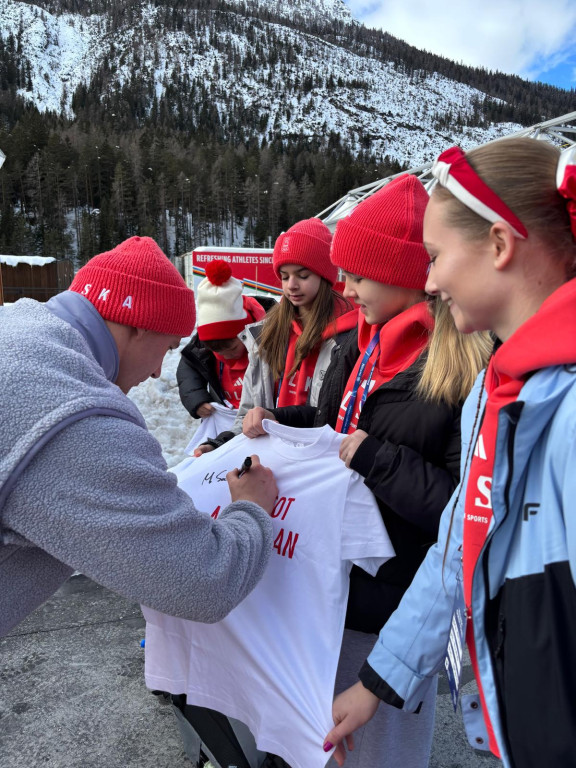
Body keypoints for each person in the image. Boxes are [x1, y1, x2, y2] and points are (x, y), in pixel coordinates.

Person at [323, 138, 576, 768]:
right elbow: (459, 546)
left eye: (435, 258)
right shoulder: (496, 393)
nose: (429, 280)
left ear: (498, 243)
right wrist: (379, 682)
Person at [243, 175, 493, 768]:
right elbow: (340, 426)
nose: (345, 289)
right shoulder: (366, 348)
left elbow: (464, 512)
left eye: (357, 275)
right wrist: (279, 419)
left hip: (394, 613)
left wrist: (378, 461)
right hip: (332, 593)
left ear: (405, 275)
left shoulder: (460, 374)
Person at [0, 235, 278, 638]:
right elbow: (203, 581)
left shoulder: (18, 329)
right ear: (135, 326)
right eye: (166, 348)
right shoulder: (74, 418)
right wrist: (251, 509)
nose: (154, 374)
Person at [194, 217, 357, 454]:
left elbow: (334, 419)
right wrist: (220, 444)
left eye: (302, 276)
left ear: (324, 276)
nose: (291, 285)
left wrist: (275, 418)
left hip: (318, 462)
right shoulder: (267, 334)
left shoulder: (347, 339)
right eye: (284, 276)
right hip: (273, 459)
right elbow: (249, 412)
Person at [176, 259, 274, 418]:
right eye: (218, 352)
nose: (227, 356)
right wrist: (197, 400)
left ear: (245, 332)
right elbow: (188, 367)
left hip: (265, 417)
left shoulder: (272, 334)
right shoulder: (203, 345)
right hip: (226, 418)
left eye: (233, 348)